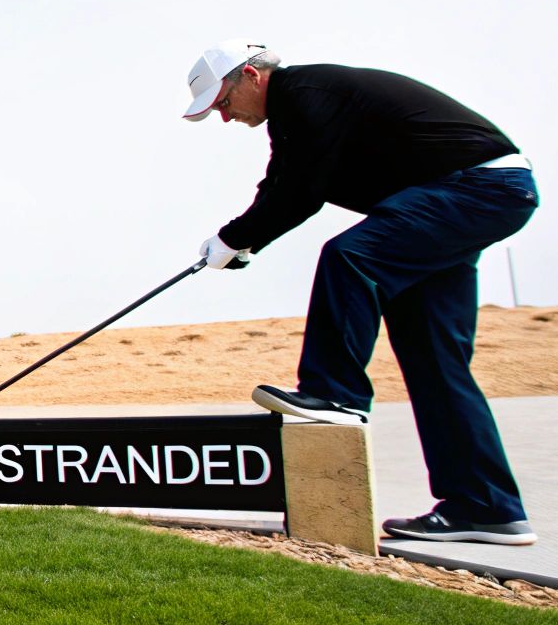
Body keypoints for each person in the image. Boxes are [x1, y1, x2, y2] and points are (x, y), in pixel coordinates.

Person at [182, 40, 539, 546]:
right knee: (433, 358)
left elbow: (300, 193)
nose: (224, 117)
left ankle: (336, 393)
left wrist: (235, 238)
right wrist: (238, 241)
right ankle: (486, 507)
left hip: (478, 189)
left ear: (252, 77)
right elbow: (281, 182)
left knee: (350, 256)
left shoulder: (305, 92)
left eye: (222, 102)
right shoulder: (295, 112)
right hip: (463, 199)